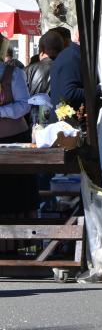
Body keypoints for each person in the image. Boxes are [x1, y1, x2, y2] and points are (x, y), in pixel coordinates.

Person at [0, 34, 37, 218]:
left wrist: (1, 111)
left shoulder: (13, 73)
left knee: (17, 192)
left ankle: (22, 235)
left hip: (14, 139)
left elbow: (24, 105)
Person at [24, 30, 64, 126]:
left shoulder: (28, 70)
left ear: (41, 49)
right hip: (61, 124)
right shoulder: (68, 69)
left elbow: (21, 101)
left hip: (33, 124)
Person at [48, 26, 84, 110]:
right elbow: (69, 93)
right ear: (79, 36)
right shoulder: (72, 56)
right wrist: (99, 89)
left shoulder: (70, 55)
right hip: (68, 116)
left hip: (65, 114)